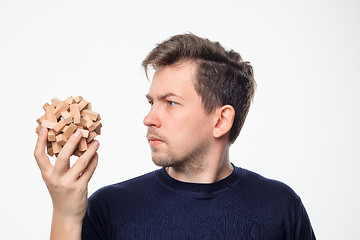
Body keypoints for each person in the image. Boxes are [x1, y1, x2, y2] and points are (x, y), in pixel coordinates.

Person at [34, 33, 316, 239]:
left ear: (220, 120)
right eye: (151, 102)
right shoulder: (109, 208)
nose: (149, 118)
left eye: (170, 103)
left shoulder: (280, 207)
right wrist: (65, 215)